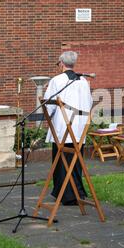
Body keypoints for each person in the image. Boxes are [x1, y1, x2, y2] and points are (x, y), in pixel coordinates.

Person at [43, 51, 93, 206]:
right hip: (79, 128)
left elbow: (48, 105)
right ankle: (77, 192)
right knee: (75, 161)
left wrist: (48, 117)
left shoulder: (56, 80)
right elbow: (89, 103)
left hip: (62, 127)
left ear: (61, 63)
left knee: (61, 161)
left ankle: (65, 194)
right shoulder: (83, 81)